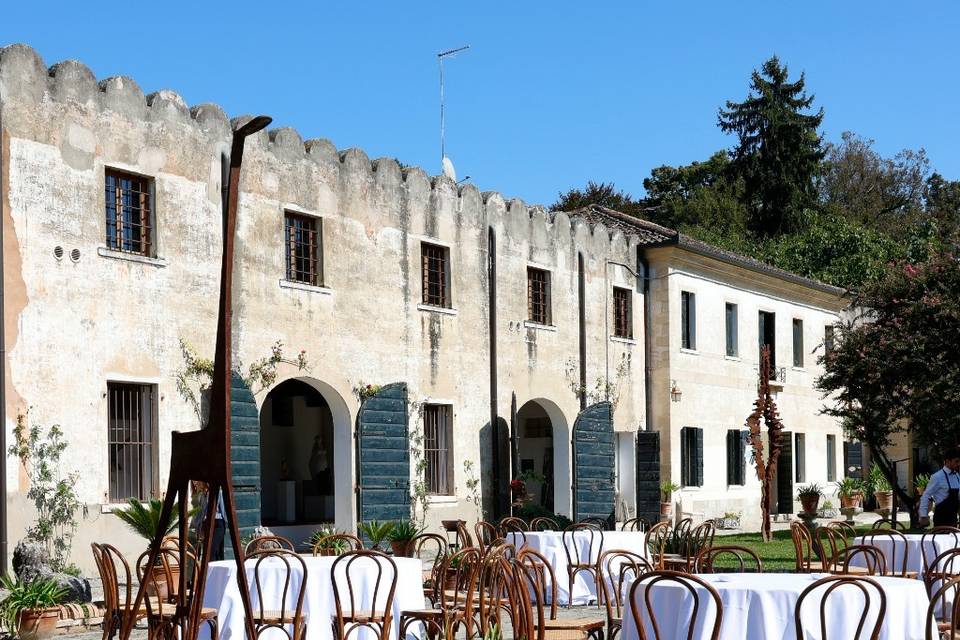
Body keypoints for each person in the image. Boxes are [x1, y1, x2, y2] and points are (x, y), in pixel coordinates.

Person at [918, 447, 960, 528]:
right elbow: (926, 495)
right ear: (947, 461)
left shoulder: (957, 476)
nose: (959, 464)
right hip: (941, 518)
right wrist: (923, 515)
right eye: (956, 461)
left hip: (953, 518)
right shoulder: (937, 477)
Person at [191, 482, 227, 560]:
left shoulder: (218, 492)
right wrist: (198, 528)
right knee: (208, 552)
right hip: (206, 525)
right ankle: (210, 571)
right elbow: (200, 513)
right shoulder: (202, 495)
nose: (196, 484)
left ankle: (212, 571)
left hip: (218, 524)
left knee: (212, 551)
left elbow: (223, 510)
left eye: (199, 483)